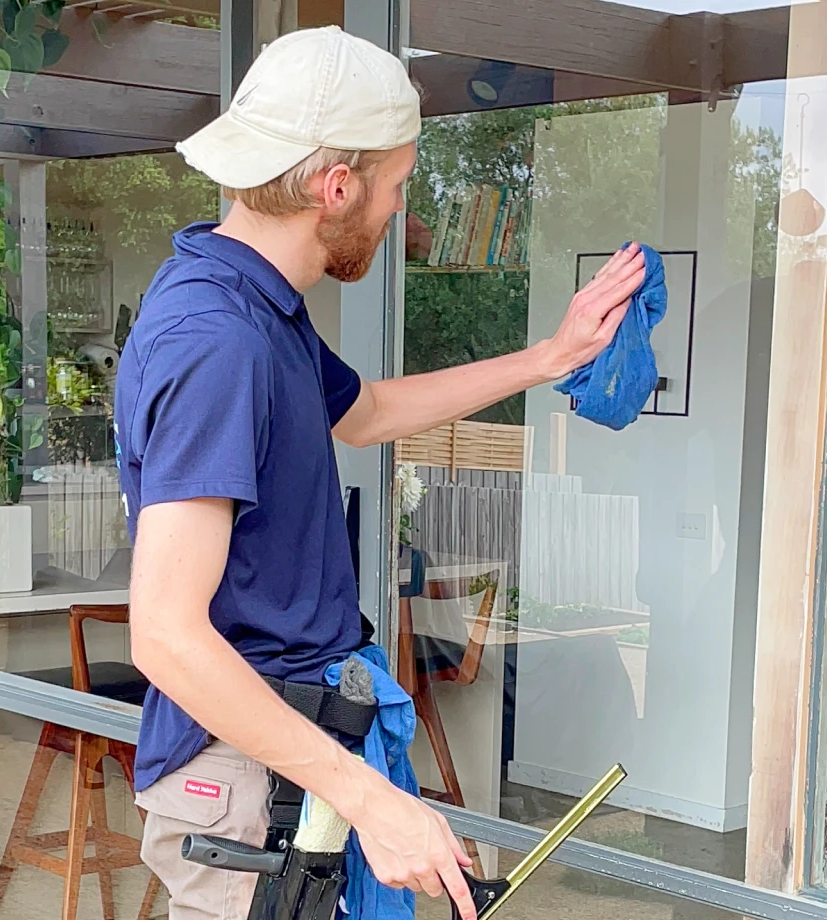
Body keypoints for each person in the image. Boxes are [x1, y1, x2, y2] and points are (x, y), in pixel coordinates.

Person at [113, 24, 646, 920]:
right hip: (250, 780)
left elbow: (368, 414)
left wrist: (550, 357)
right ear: (335, 187)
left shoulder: (256, 305)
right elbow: (163, 634)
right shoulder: (219, 341)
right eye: (397, 184)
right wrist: (368, 799)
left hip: (288, 751)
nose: (402, 208)